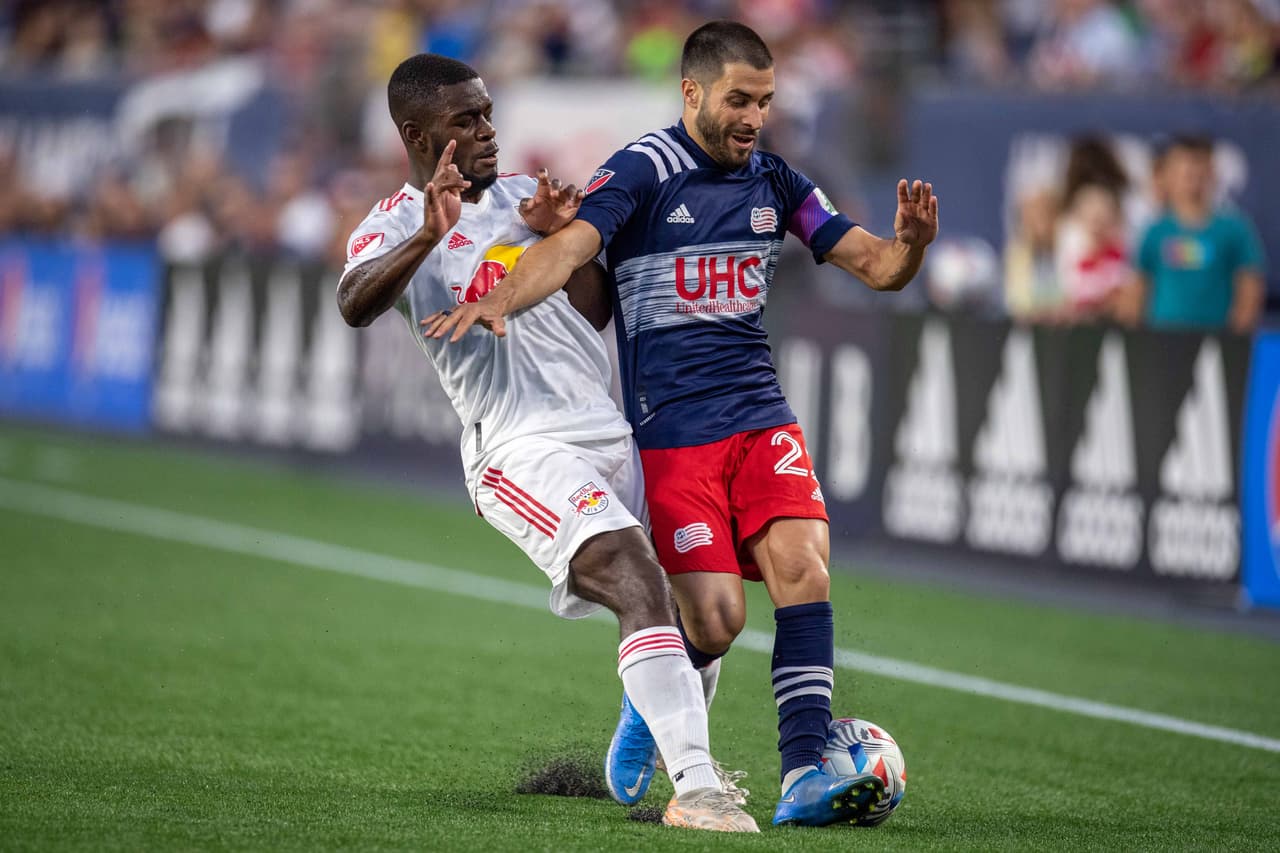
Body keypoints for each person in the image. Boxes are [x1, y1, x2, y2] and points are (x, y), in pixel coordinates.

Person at [423, 21, 939, 828]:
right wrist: (499, 297)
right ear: (693, 92)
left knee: (806, 568)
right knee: (716, 620)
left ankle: (803, 770)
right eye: (739, 99)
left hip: (760, 415)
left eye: (764, 102)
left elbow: (873, 263)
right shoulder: (640, 170)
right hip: (671, 434)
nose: (753, 118)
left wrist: (909, 247)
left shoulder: (777, 182)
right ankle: (643, 712)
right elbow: (567, 251)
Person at [336, 53, 758, 834]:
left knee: (710, 610)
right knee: (635, 576)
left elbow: (595, 312)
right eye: (466, 120)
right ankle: (698, 785)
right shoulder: (395, 222)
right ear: (417, 134)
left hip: (612, 432)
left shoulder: (528, 204)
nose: (489, 130)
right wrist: (429, 238)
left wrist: (568, 240)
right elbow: (355, 302)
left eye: (489, 112)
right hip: (521, 449)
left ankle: (644, 716)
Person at [1123, 135, 1265, 334]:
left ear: (1212, 174)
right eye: (1185, 172)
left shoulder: (1235, 229)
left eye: (1199, 171)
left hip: (1217, 339)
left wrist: (1237, 337)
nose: (1192, 180)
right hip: (1162, 339)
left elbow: (1249, 285)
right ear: (1168, 175)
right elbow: (1138, 288)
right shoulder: (1155, 232)